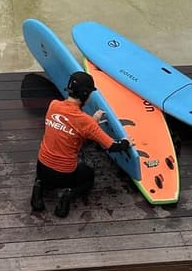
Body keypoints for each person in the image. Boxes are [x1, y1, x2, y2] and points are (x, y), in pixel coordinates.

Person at [31, 71, 131, 218]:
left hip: (41, 167)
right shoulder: (86, 122)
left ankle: (38, 186)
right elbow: (113, 146)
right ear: (86, 95)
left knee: (46, 171)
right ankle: (68, 195)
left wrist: (92, 122)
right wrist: (127, 141)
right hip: (64, 175)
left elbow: (71, 126)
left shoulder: (53, 105)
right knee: (88, 176)